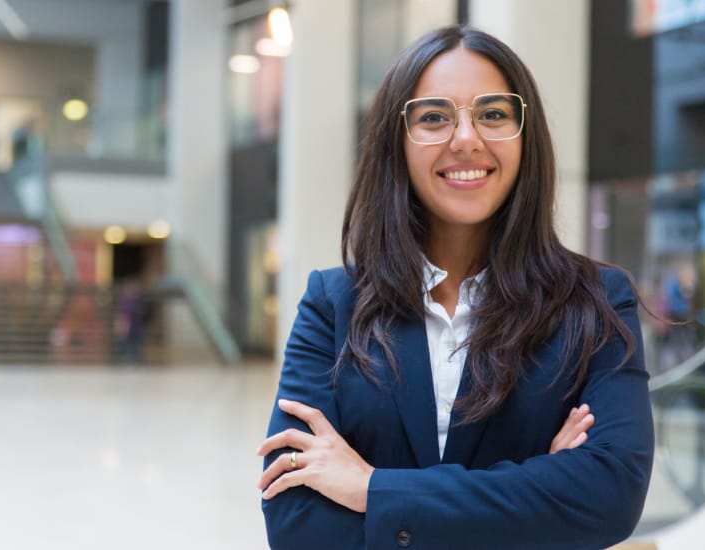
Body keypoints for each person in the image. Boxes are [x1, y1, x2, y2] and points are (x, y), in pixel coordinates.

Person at [257, 25, 654, 549]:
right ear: (395, 144)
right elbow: (297, 525)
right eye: (433, 117)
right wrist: (538, 491)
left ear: (524, 135)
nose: (466, 139)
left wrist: (371, 487)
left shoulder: (596, 302)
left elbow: (610, 495)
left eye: (493, 114)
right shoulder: (333, 305)